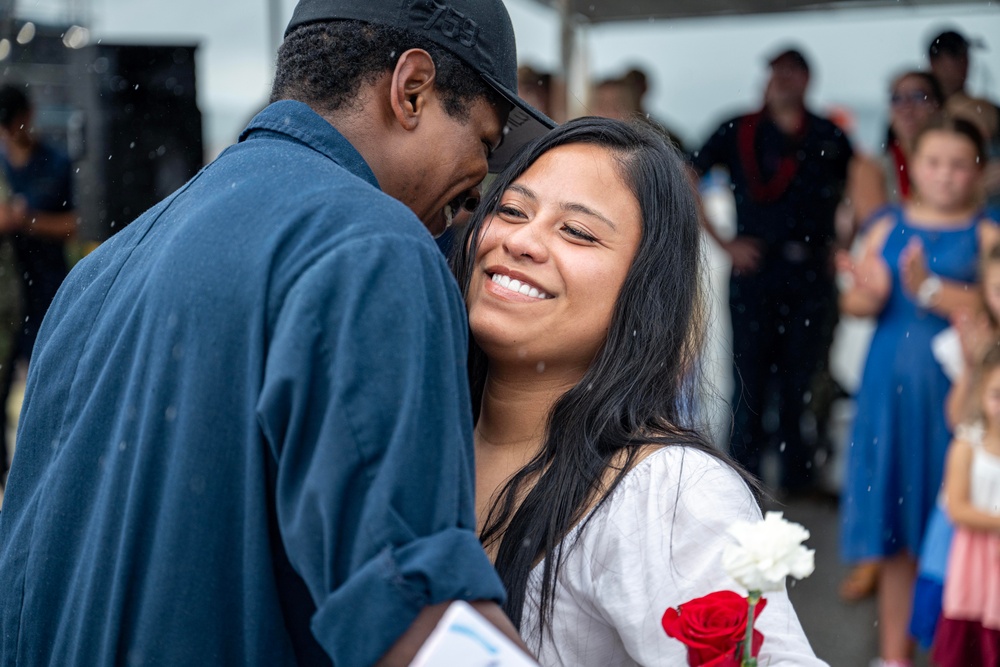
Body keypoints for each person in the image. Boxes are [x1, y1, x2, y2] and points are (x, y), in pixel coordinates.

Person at [0, 0, 555, 664]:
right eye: (485, 146)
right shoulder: (373, 243)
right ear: (411, 90)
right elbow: (414, 608)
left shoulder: (97, 277)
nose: (471, 200)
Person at [452, 117, 824, 666]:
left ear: (645, 288)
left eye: (576, 231)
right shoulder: (418, 438)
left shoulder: (667, 493)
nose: (522, 240)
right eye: (511, 210)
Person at [837, 117, 998, 667]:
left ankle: (957, 653)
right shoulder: (884, 225)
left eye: (958, 164)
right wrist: (870, 290)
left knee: (953, 527)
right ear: (913, 166)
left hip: (960, 399)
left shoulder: (987, 232)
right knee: (895, 528)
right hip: (889, 393)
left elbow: (991, 305)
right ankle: (893, 657)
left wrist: (931, 289)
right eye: (934, 163)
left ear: (976, 169)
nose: (946, 176)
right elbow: (857, 305)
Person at [690, 47, 853, 496]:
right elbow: (687, 172)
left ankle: (800, 479)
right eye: (775, 71)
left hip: (810, 275)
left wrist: (844, 244)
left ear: (806, 78)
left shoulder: (828, 133)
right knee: (749, 378)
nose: (782, 79)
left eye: (791, 71)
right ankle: (740, 480)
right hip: (756, 270)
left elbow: (854, 190)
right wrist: (723, 241)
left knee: (803, 379)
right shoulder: (738, 129)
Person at [838, 70, 945, 604]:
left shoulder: (965, 165)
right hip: (890, 301)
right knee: (881, 447)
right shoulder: (872, 166)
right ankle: (876, 557)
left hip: (938, 331)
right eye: (897, 97)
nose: (907, 106)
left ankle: (935, 561)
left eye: (918, 96)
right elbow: (873, 223)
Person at [0, 84, 76, 490]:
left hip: (46, 291)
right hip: (7, 298)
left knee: (47, 391)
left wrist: (26, 221)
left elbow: (74, 224)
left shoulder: (56, 163)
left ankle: (46, 481)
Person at [930, 346, 1000, 667]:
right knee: (971, 642)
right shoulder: (967, 445)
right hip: (977, 562)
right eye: (997, 395)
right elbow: (956, 508)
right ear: (982, 394)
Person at [927, 29, 1000, 209]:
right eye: (954, 55)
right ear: (933, 63)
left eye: (966, 55)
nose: (965, 62)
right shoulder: (918, 113)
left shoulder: (989, 109)